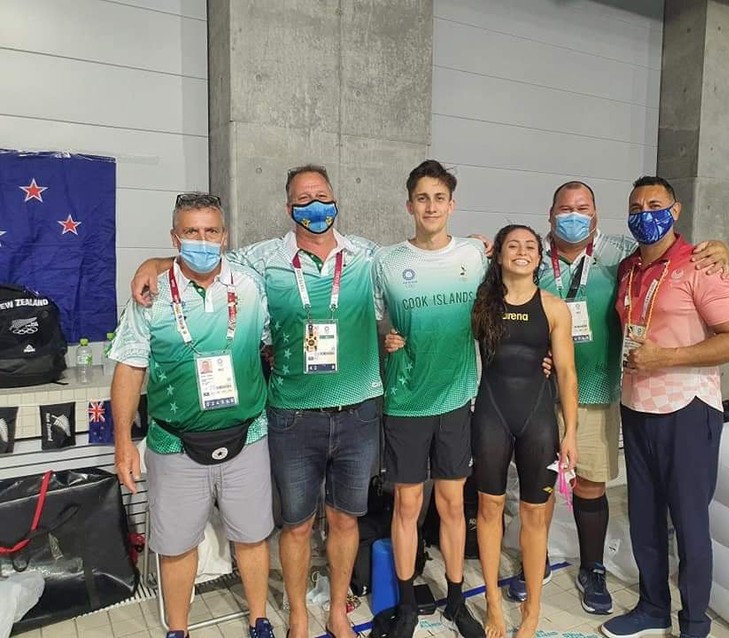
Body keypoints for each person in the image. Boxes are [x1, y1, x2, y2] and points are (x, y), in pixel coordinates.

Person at [130, 167, 382, 638]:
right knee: (297, 524)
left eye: (322, 197)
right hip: (291, 414)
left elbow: (414, 274)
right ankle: (300, 616)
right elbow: (204, 258)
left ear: (336, 201)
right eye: (302, 200)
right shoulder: (261, 260)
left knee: (345, 520)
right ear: (289, 209)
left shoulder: (368, 256)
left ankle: (338, 614)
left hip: (359, 412)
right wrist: (158, 261)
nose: (314, 207)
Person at [506, 181, 729, 615]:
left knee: (590, 484)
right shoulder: (531, 257)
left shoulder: (622, 254)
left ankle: (593, 568)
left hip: (597, 391)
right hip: (538, 393)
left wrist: (719, 248)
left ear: (595, 214)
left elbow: (672, 252)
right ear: (550, 213)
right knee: (541, 485)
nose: (573, 215)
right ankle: (536, 563)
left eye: (582, 207)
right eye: (564, 208)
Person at [111, 193, 276, 638]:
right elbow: (129, 367)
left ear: (224, 236)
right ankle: (178, 629)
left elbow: (271, 339)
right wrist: (124, 442)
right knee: (177, 543)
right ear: (175, 237)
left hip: (248, 434)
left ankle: (259, 618)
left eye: (210, 231)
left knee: (253, 535)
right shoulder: (151, 294)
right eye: (191, 232)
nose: (202, 240)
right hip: (175, 443)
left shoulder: (249, 285)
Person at [600, 176, 729, 638]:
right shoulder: (627, 269)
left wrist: (666, 358)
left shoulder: (703, 265)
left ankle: (693, 622)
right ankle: (651, 607)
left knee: (688, 521)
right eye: (636, 206)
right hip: (638, 407)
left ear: (676, 209)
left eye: (655, 204)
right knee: (643, 516)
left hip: (688, 409)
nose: (645, 213)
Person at [373, 160, 488, 638]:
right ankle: (404, 606)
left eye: (439, 198)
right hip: (405, 402)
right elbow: (376, 319)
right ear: (410, 205)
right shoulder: (387, 262)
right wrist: (386, 338)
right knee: (406, 506)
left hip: (458, 400)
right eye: (422, 198)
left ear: (452, 205)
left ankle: (457, 601)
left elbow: (520, 291)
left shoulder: (476, 256)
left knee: (453, 505)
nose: (431, 206)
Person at [470, 225, 579, 638]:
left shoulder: (553, 307)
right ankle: (495, 606)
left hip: (538, 419)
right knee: (489, 510)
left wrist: (570, 432)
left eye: (530, 246)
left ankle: (532, 609)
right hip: (491, 417)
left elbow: (567, 372)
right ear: (498, 255)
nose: (522, 252)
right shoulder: (481, 305)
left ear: (539, 256)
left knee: (535, 515)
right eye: (512, 245)